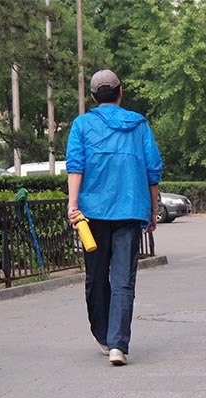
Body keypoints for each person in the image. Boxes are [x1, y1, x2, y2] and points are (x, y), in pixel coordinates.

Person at [66, 69, 163, 366]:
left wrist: (73, 205)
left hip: (92, 214)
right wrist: (152, 206)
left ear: (94, 97)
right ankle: (119, 344)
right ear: (120, 92)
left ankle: (104, 337)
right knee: (123, 278)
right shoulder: (139, 124)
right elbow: (153, 168)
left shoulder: (82, 125)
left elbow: (76, 165)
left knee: (96, 277)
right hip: (131, 208)